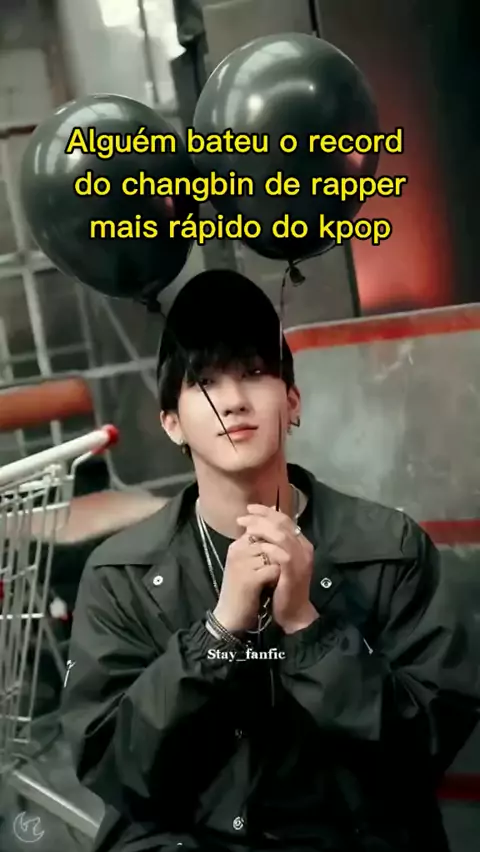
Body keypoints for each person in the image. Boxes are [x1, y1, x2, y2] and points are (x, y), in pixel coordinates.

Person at [61, 269, 479, 852]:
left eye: (255, 373)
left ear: (293, 402)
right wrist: (216, 634)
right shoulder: (120, 575)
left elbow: (425, 748)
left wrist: (309, 629)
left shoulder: (390, 547)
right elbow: (112, 765)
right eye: (205, 381)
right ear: (172, 423)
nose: (233, 401)